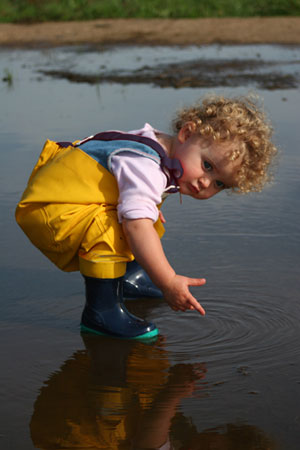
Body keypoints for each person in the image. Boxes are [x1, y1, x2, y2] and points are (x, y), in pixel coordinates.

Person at [15, 95, 277, 340]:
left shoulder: (160, 144)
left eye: (219, 184)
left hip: (64, 195)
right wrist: (168, 281)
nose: (205, 183)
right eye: (207, 166)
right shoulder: (148, 166)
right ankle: (101, 312)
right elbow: (137, 227)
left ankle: (127, 279)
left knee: (147, 217)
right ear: (186, 133)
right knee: (130, 225)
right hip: (52, 210)